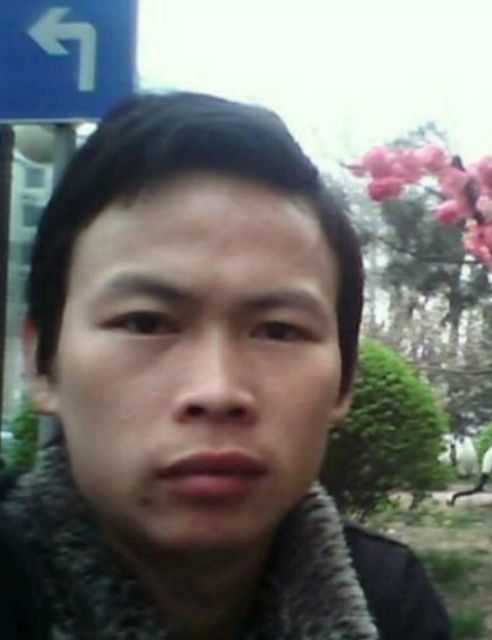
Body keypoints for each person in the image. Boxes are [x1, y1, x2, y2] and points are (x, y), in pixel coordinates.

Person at [0, 92, 451, 640]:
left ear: (344, 382)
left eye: (278, 331)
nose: (217, 390)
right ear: (42, 362)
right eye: (146, 322)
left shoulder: (392, 602)